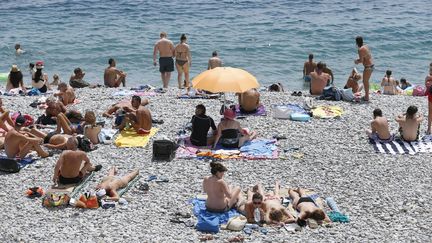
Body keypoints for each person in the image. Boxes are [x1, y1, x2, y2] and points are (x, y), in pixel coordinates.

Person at [354, 36, 374, 101]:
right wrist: (359, 60)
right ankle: (366, 95)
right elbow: (366, 57)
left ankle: (367, 97)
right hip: (371, 65)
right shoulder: (366, 46)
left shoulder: (360, 50)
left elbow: (361, 60)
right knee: (366, 81)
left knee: (365, 82)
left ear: (356, 42)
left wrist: (356, 61)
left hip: (368, 67)